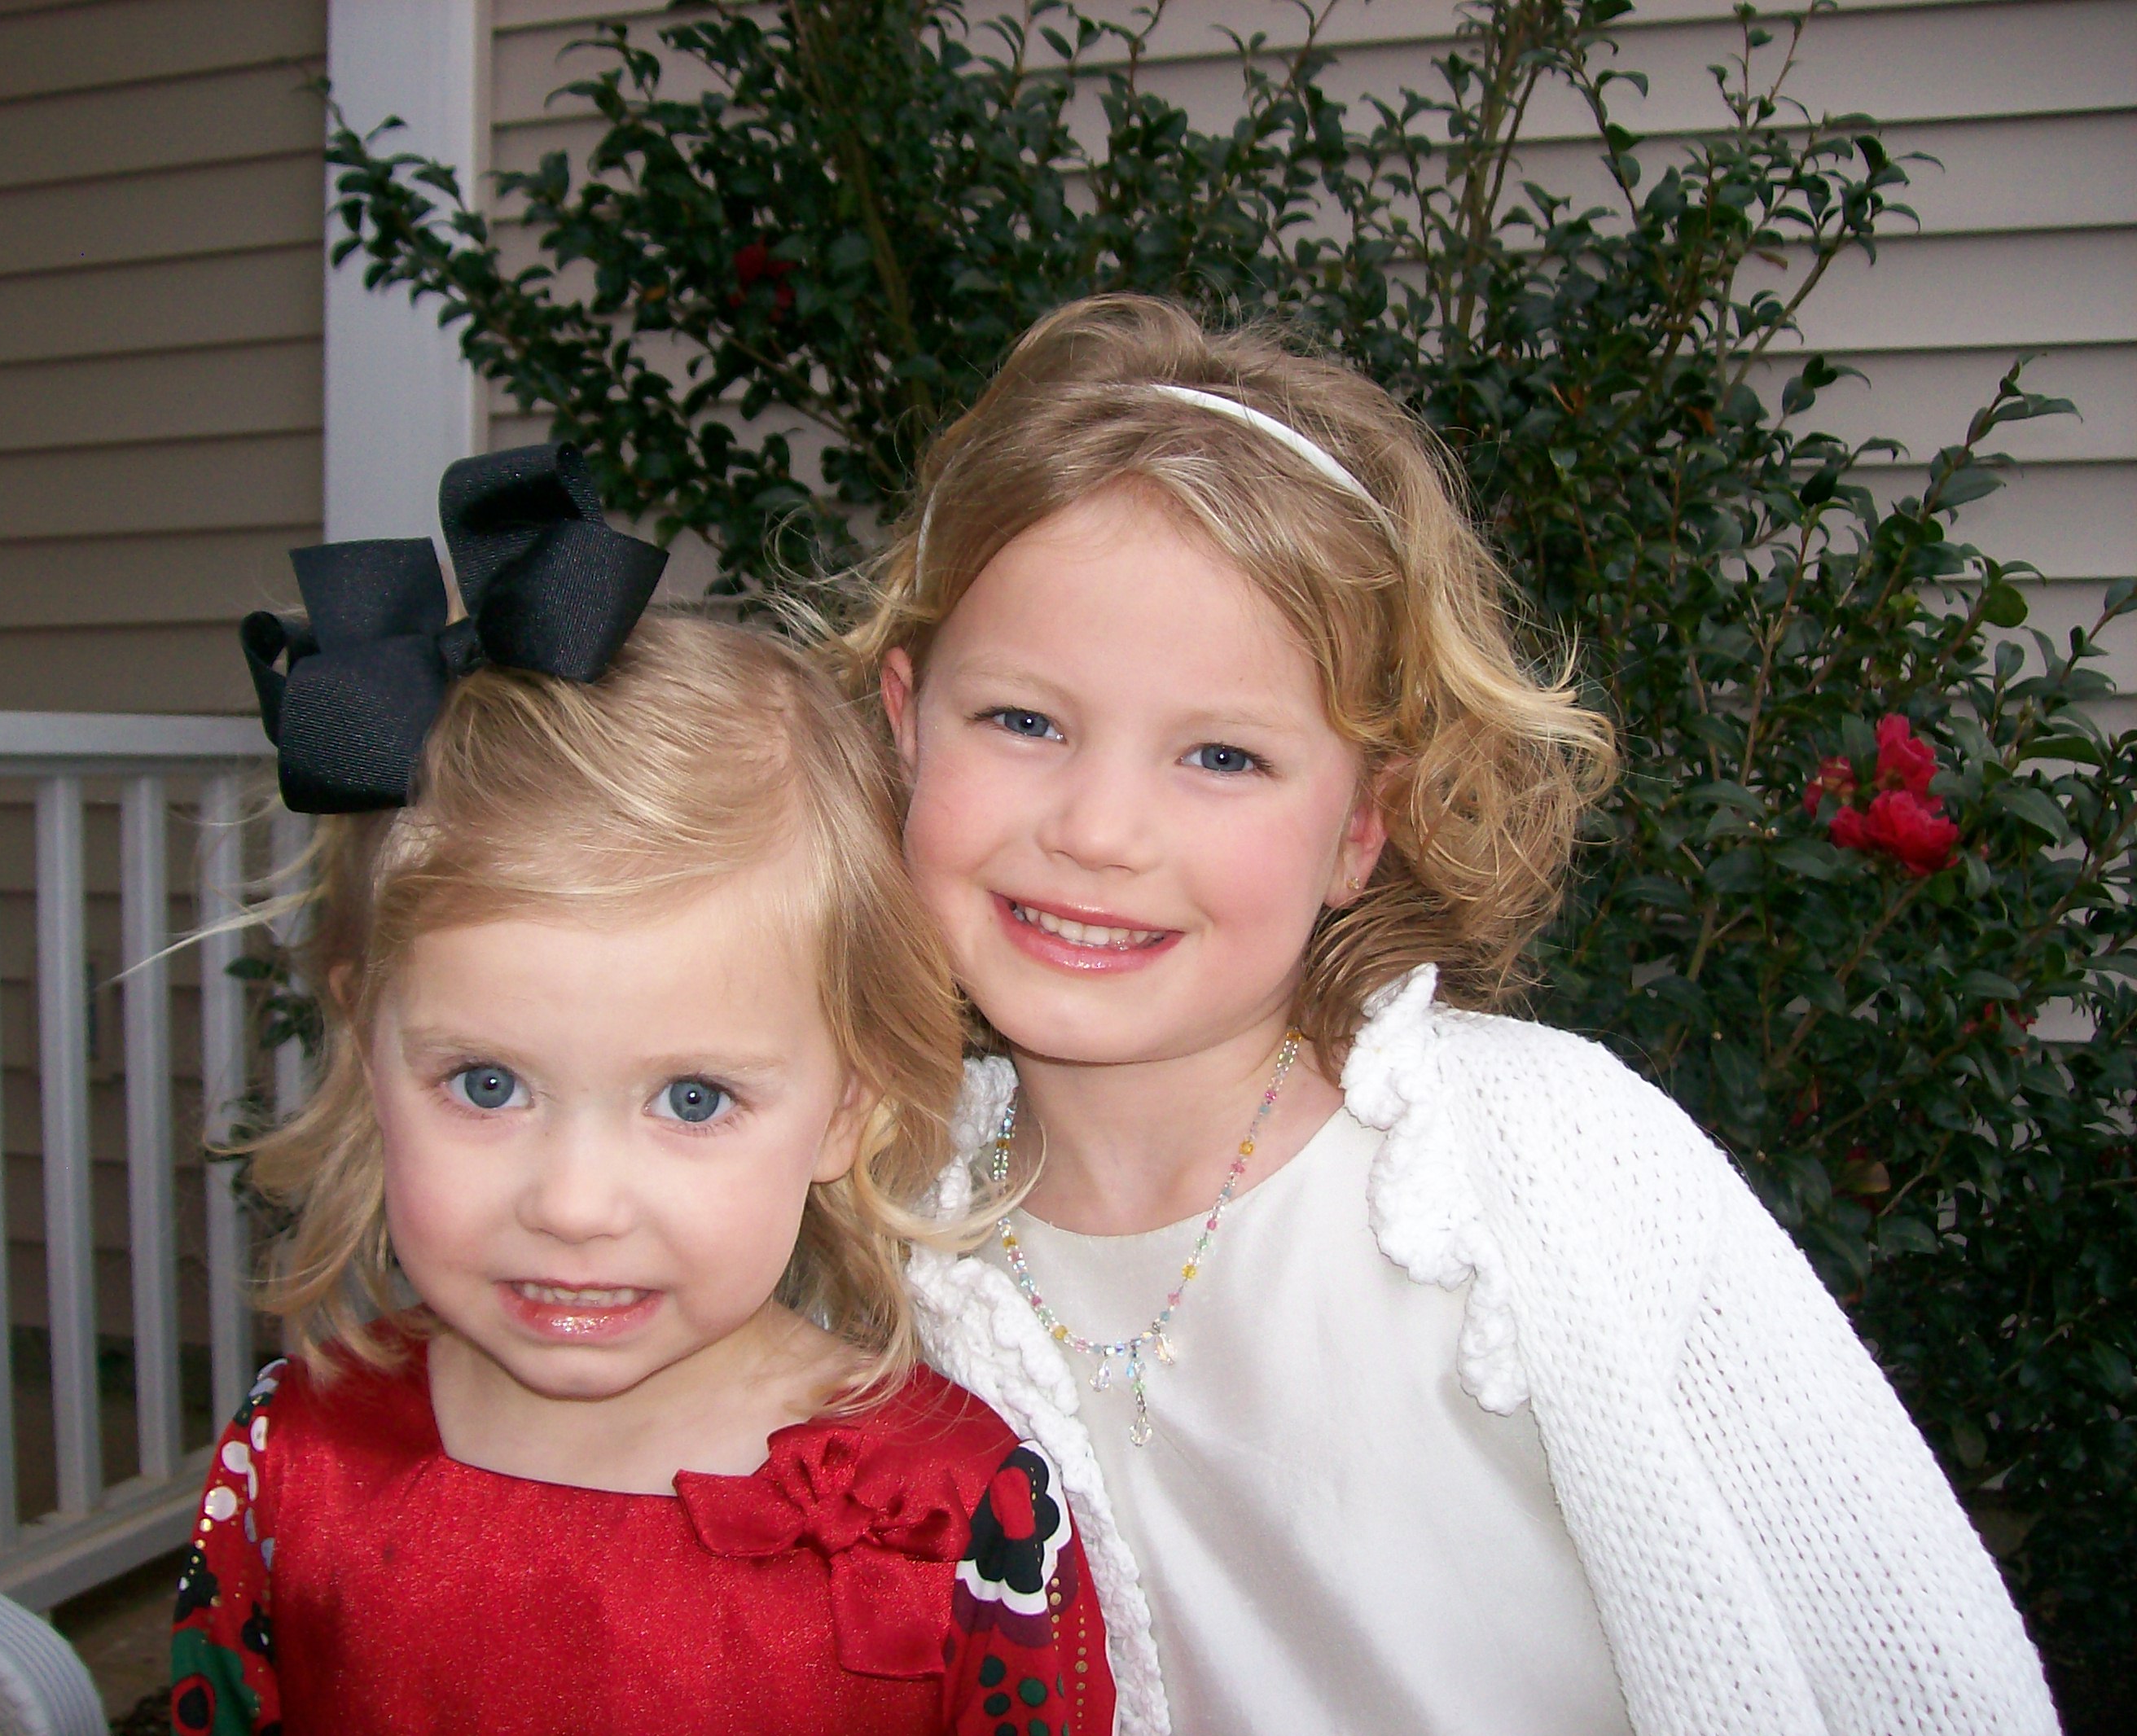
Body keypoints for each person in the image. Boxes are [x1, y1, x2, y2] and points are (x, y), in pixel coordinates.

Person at [838, 297, 2059, 1736]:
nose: (1100, 830)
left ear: (1364, 825)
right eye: (1025, 722)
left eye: (1222, 756)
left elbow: (1921, 1669)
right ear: (905, 725)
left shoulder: (1543, 1165)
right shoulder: (861, 1218)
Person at [169, 445, 1120, 1736]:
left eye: (692, 1101)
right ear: (365, 1044)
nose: (574, 1206)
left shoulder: (956, 1516)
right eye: (488, 1084)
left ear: (848, 1103)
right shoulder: (294, 1460)